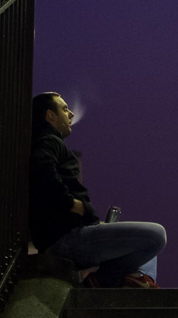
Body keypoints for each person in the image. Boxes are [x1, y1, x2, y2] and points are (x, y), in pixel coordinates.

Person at [29, 91, 166, 287]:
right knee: (156, 236)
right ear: (50, 115)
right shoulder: (49, 141)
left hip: (72, 235)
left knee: (147, 245)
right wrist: (70, 202)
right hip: (68, 240)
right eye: (65, 109)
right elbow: (41, 168)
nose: (71, 114)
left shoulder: (49, 143)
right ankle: (105, 280)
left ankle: (139, 280)